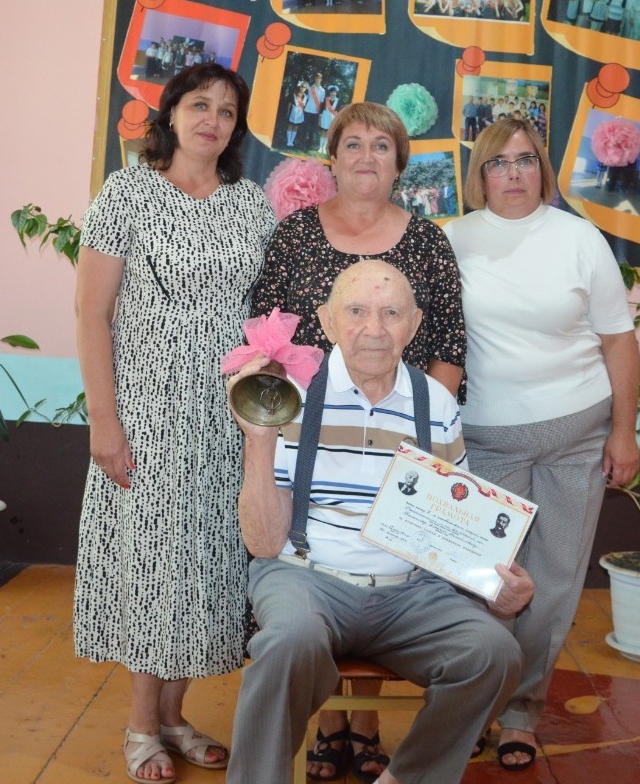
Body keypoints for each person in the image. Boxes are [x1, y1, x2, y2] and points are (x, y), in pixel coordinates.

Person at [227, 261, 534, 784]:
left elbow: (458, 526)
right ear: (327, 321)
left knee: (494, 653)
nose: (374, 329)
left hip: (412, 591)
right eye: (356, 311)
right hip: (306, 578)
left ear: (414, 325)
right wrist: (258, 441)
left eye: (391, 313)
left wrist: (498, 587)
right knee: (287, 642)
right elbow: (263, 543)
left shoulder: (436, 402)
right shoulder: (286, 395)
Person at [249, 103, 467, 781]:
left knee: (387, 552)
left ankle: (364, 724)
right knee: (317, 565)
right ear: (332, 158)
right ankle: (326, 723)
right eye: (352, 143)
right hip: (308, 433)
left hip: (403, 430)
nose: (366, 156)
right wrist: (277, 425)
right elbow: (266, 333)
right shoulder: (294, 234)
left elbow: (449, 345)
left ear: (399, 163)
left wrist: (420, 436)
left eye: (381, 145)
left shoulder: (428, 240)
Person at [74, 62, 276, 783]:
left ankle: (174, 717)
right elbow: (91, 313)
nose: (211, 120)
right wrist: (105, 420)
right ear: (171, 113)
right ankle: (140, 725)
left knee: (207, 566)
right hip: (147, 413)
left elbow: (266, 316)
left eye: (226, 110)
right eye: (199, 104)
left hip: (227, 417)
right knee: (155, 563)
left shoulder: (252, 205)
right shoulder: (127, 192)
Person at [444, 118, 640, 771]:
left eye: (526, 160)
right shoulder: (452, 239)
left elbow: (618, 341)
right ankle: (472, 708)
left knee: (552, 584)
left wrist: (623, 432)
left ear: (543, 169)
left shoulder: (580, 238)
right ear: (479, 173)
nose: (514, 174)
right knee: (483, 583)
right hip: (485, 442)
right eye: (498, 162)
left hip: (575, 437)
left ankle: (521, 714)